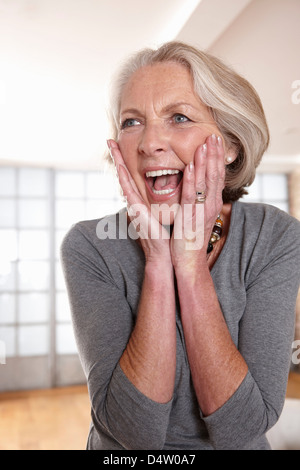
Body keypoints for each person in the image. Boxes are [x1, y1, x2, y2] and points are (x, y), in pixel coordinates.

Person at [61, 41, 300, 450]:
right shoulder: (88, 245)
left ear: (229, 146)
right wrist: (158, 262)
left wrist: (189, 265)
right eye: (132, 121)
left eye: (178, 117)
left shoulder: (275, 237)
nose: (149, 142)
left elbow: (244, 427)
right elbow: (133, 435)